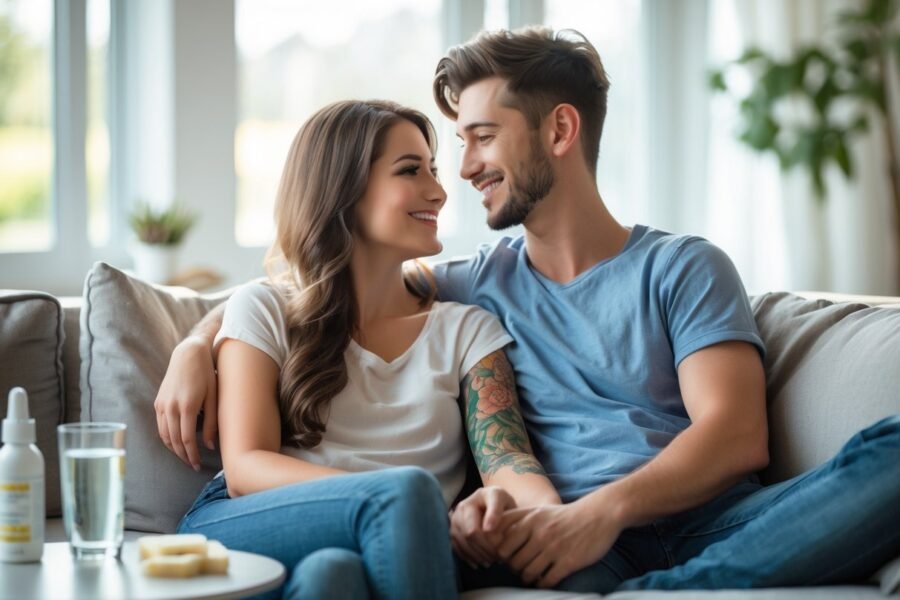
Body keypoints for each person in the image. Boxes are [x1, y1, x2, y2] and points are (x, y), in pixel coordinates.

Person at [158, 28, 900, 594]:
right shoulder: (470, 285)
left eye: (482, 137)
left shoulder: (681, 266)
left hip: (696, 522)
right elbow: (325, 288)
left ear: (559, 131)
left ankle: (665, 595)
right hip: (565, 545)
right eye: (455, 146)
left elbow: (736, 435)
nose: (463, 170)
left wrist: (598, 514)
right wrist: (197, 339)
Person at [169, 99, 559, 600]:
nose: (439, 192)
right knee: (407, 491)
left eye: (434, 171)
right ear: (343, 190)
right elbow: (245, 468)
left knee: (333, 577)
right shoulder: (263, 309)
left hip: (388, 543)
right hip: (248, 523)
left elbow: (507, 458)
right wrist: (391, 500)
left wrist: (541, 514)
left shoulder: (467, 330)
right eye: (410, 170)